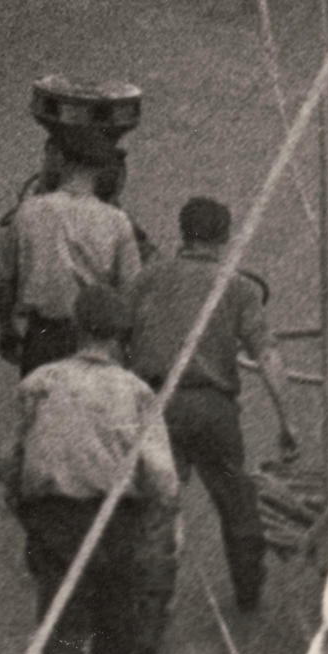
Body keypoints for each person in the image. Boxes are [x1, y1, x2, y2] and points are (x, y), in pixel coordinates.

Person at [0, 283, 179, 654]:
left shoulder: (40, 383)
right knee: (117, 625)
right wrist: (162, 523)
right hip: (116, 523)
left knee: (61, 626)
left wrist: (18, 500)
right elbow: (163, 479)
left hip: (54, 520)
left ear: (76, 330)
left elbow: (8, 460)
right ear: (121, 336)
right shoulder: (136, 392)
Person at [129, 196, 299, 615]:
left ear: (182, 232)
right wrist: (287, 422)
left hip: (156, 405)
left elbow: (118, 336)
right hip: (213, 409)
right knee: (236, 502)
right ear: (224, 238)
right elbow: (267, 356)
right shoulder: (238, 288)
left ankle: (150, 610)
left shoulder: (146, 279)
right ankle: (247, 591)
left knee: (156, 508)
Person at [0, 134, 140, 373]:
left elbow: (5, 279)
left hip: (42, 335)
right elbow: (130, 289)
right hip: (95, 340)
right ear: (101, 169)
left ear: (62, 161)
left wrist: (6, 326)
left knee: (40, 392)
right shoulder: (116, 221)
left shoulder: (28, 212)